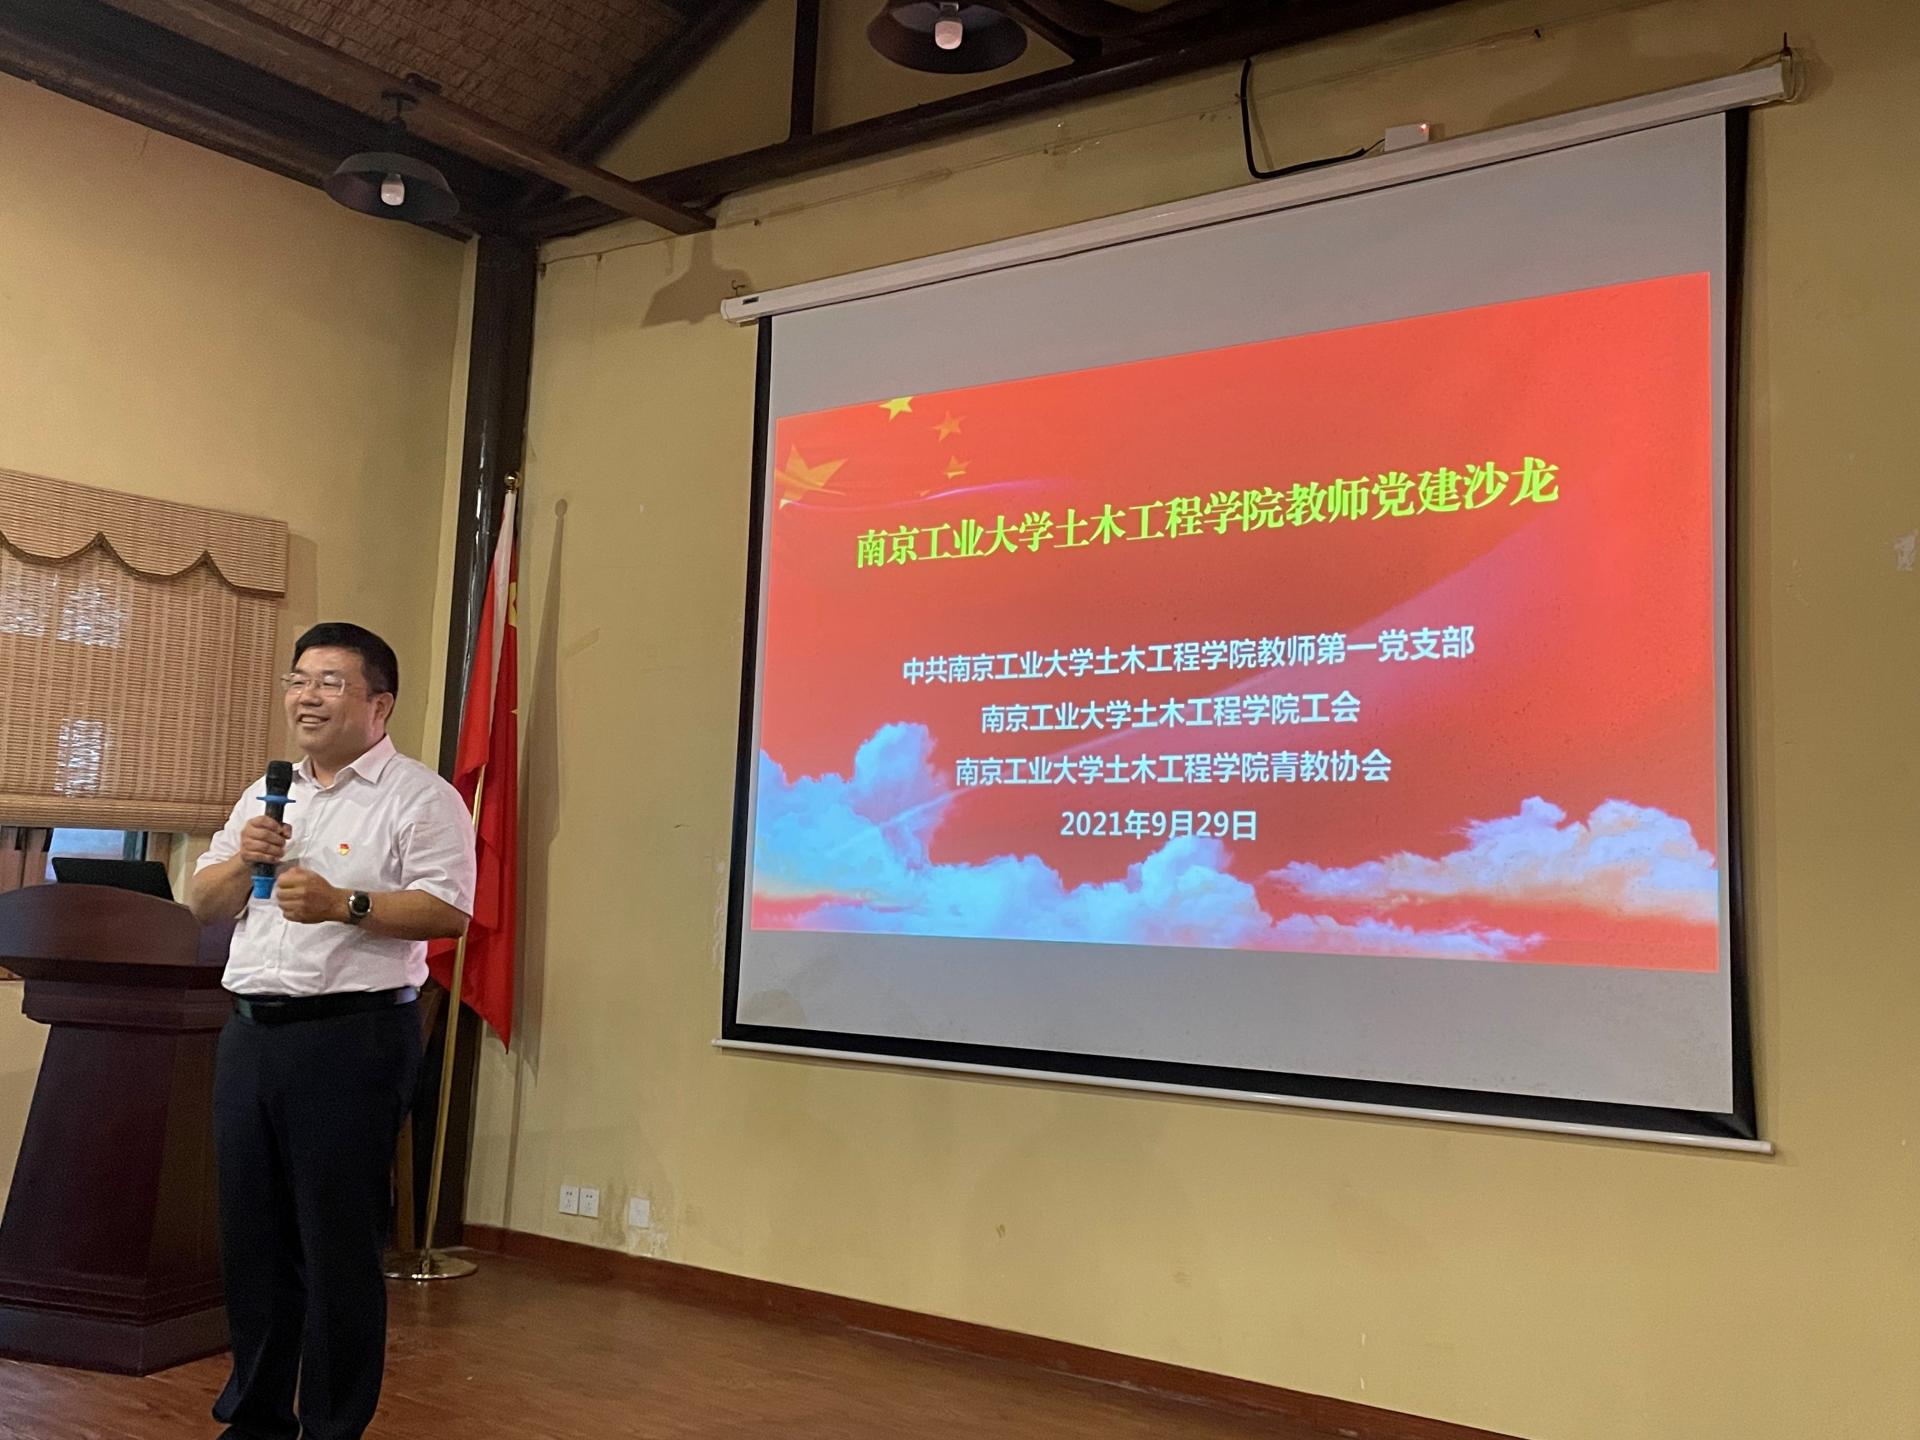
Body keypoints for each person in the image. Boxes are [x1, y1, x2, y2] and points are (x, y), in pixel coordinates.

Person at [189, 622, 476, 1440]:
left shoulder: (420, 797)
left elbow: (448, 909)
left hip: (350, 1041)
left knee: (335, 1244)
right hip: (251, 1035)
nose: (306, 697)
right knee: (252, 1238)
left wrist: (344, 904)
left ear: (379, 704)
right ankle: (256, 1417)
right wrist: (245, 862)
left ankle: (331, 1425)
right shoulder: (264, 795)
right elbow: (202, 904)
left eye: (329, 682)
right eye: (298, 680)